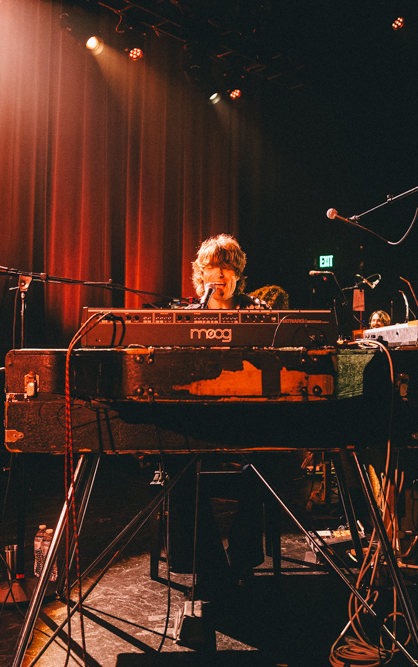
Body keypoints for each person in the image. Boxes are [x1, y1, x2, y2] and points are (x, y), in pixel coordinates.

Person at [168, 234, 270, 594]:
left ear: (238, 274)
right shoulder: (186, 316)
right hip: (199, 423)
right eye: (214, 267)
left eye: (228, 268)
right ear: (202, 273)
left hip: (247, 421)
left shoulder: (256, 312)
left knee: (263, 465)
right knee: (174, 466)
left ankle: (242, 561)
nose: (221, 275)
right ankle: (208, 567)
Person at [190, 234, 268, 309]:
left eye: (226, 267)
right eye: (212, 267)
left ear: (237, 274)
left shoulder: (257, 309)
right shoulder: (188, 315)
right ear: (201, 274)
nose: (219, 274)